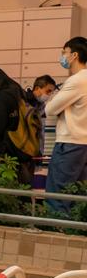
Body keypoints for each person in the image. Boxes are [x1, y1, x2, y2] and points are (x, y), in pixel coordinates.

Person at [45, 37, 87, 212]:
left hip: (70, 143)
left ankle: (55, 234)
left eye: (64, 52)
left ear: (74, 55)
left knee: (58, 196)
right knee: (79, 196)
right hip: (83, 144)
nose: (62, 56)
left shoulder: (77, 80)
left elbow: (50, 109)